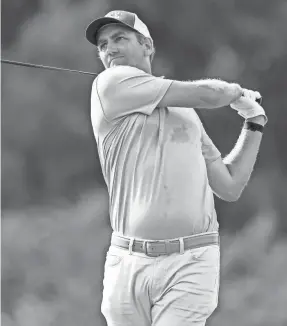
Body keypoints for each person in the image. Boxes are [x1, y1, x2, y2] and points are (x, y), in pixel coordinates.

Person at [85, 10, 267, 326]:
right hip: (127, 262)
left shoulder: (185, 114)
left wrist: (254, 122)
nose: (110, 49)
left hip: (192, 261)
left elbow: (229, 185)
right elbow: (209, 94)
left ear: (148, 46)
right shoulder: (109, 84)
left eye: (119, 38)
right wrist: (237, 93)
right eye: (102, 45)